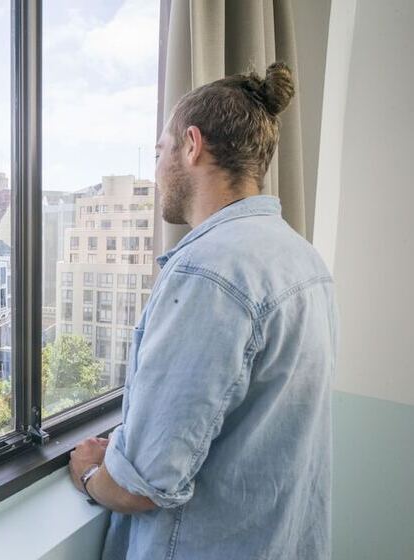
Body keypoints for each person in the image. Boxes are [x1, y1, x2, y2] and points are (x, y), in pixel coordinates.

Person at [69, 62, 338, 559]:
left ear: (191, 145)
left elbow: (138, 487)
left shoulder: (209, 273)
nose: (157, 171)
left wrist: (89, 472)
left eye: (160, 152)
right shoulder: (304, 259)